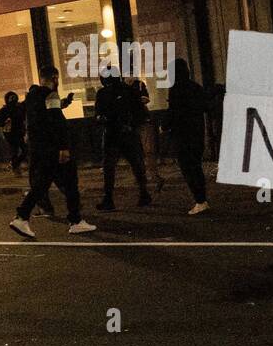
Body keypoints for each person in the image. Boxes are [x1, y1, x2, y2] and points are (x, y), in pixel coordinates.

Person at [9, 65, 96, 238]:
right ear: (54, 77)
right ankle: (75, 221)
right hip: (54, 148)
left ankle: (22, 216)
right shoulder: (51, 94)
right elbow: (56, 119)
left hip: (39, 148)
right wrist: (63, 147)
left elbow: (43, 114)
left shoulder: (32, 96)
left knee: (42, 184)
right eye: (56, 79)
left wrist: (63, 104)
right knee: (70, 182)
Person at [95, 76, 151, 212]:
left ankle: (108, 198)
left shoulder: (103, 93)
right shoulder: (128, 90)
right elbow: (139, 109)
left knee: (109, 168)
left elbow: (99, 115)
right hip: (128, 132)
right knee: (136, 164)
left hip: (112, 133)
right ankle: (144, 193)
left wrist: (104, 118)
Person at [167, 58, 209, 215]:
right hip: (197, 132)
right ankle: (202, 199)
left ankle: (199, 200)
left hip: (182, 135)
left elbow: (173, 113)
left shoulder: (176, 90)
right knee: (196, 167)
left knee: (188, 169)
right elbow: (205, 106)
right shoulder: (195, 87)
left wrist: (164, 125)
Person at [133, 77, 163, 192]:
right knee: (143, 151)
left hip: (140, 121)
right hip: (137, 122)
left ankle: (153, 177)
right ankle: (150, 177)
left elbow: (146, 99)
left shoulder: (139, 84)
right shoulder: (137, 85)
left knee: (147, 150)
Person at [0, 91, 27, 174]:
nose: (13, 99)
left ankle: (14, 165)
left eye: (14, 97)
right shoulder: (5, 109)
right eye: (11, 98)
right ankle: (15, 168)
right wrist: (4, 122)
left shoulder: (19, 107)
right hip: (10, 133)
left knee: (24, 150)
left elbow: (25, 105)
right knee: (16, 150)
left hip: (19, 132)